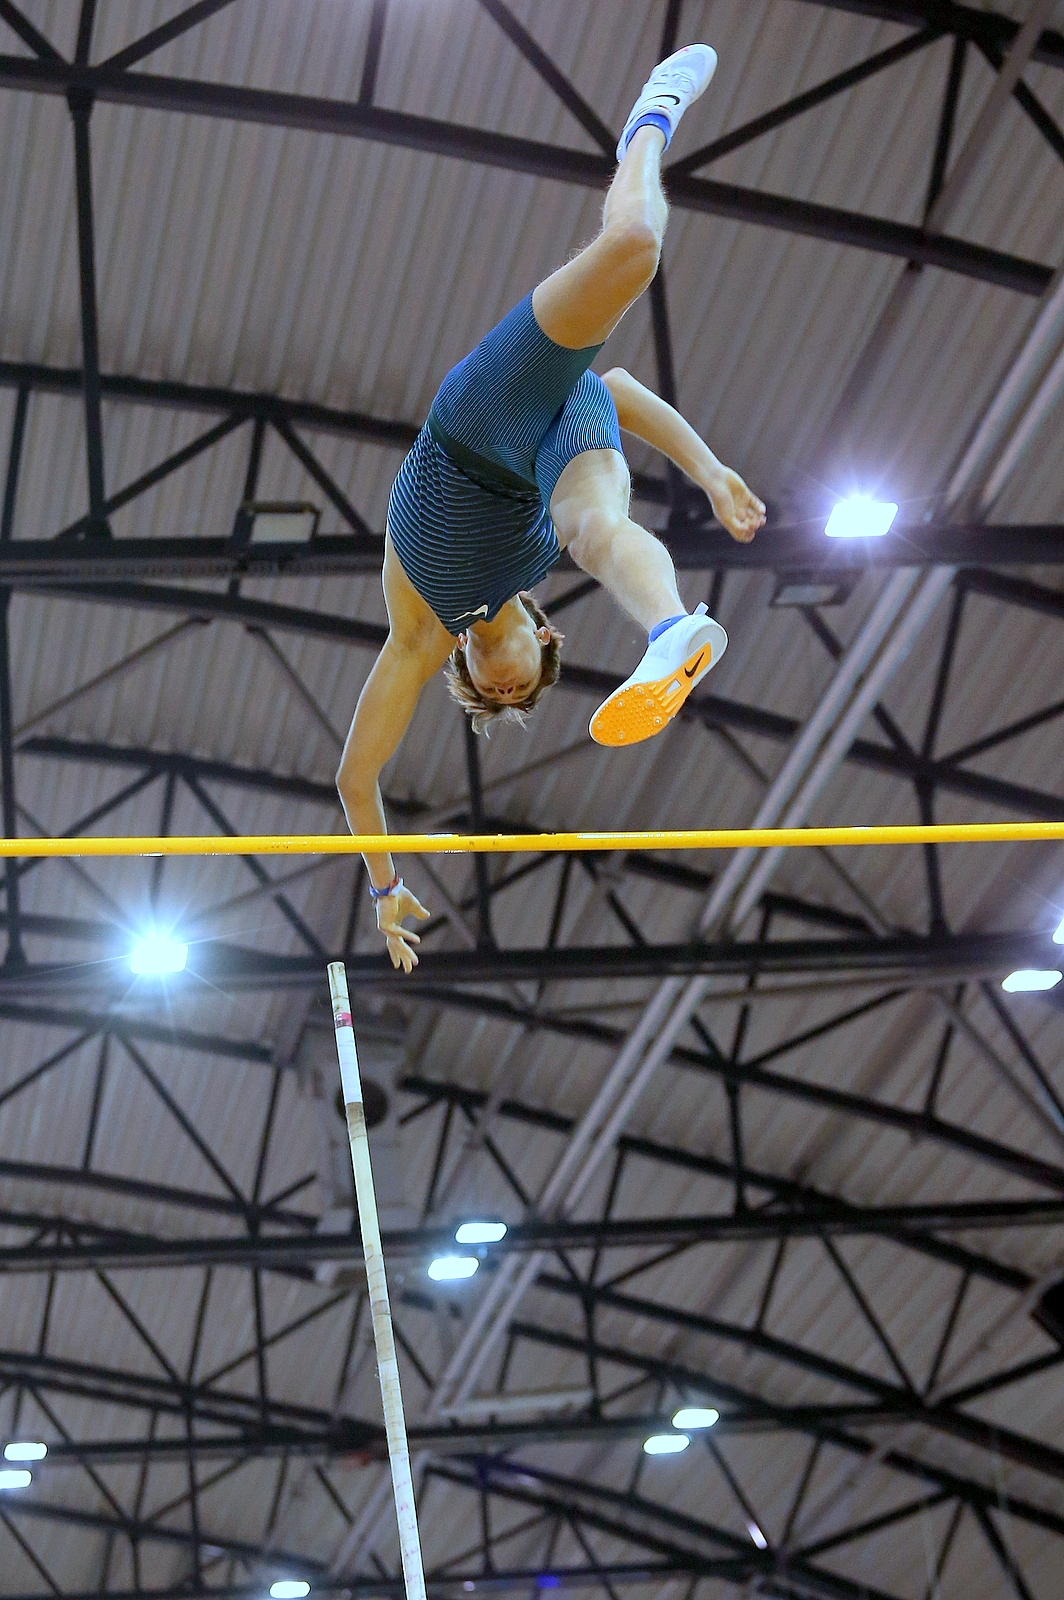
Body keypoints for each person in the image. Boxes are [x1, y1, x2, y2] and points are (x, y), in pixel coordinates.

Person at [337, 44, 765, 971]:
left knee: (634, 249)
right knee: (589, 529)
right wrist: (708, 470)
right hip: (518, 444)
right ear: (539, 641)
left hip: (476, 435)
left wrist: (381, 884)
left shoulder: (419, 633)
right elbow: (615, 392)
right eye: (522, 687)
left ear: (479, 655)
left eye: (493, 690)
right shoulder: (536, 555)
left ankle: (648, 118)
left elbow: (356, 778)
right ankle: (672, 629)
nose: (504, 685)